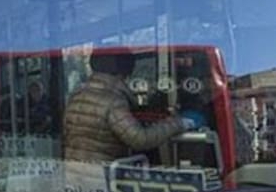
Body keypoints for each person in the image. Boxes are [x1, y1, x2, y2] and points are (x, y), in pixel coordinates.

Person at [63, 53, 195, 164]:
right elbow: (140, 139)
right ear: (122, 74)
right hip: (101, 176)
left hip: (74, 172)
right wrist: (178, 123)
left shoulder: (76, 95)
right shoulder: (113, 101)